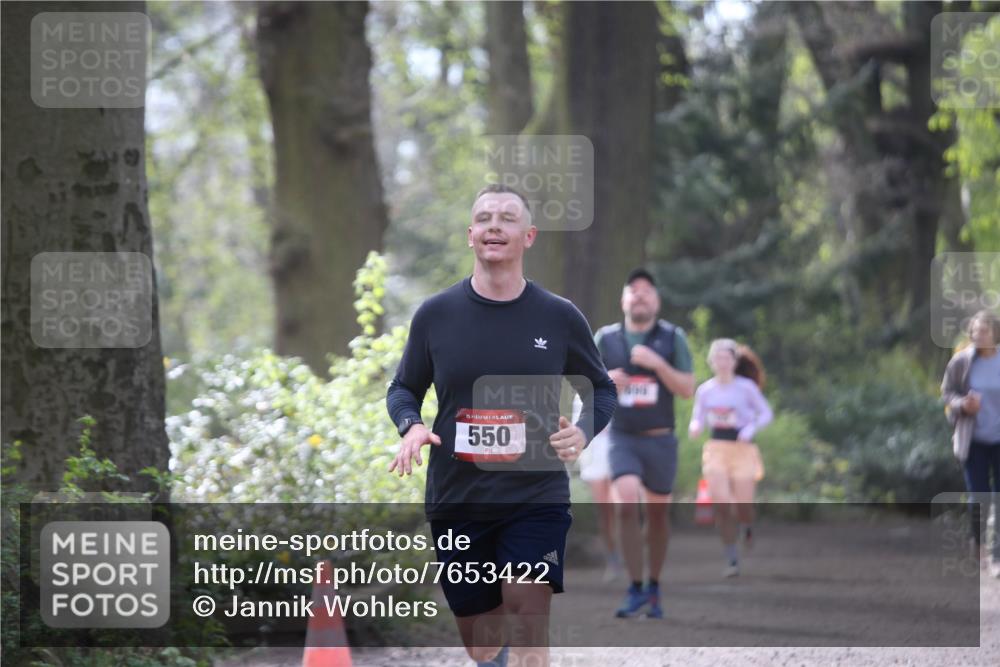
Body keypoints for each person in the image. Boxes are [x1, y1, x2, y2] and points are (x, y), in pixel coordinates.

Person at [386, 183, 617, 667]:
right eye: (485, 217)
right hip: (458, 498)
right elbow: (403, 388)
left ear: (528, 235)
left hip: (535, 496)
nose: (495, 224)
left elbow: (601, 387)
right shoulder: (435, 315)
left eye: (508, 217)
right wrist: (410, 425)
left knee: (528, 614)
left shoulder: (558, 316)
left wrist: (583, 429)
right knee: (484, 644)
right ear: (470, 235)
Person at [594, 269, 695, 619]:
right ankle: (635, 587)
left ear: (657, 301)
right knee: (625, 501)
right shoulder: (606, 339)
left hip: (660, 440)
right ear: (623, 300)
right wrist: (606, 381)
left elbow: (686, 388)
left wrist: (658, 365)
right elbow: (582, 384)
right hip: (622, 438)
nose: (639, 295)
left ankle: (654, 585)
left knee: (657, 518)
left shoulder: (672, 338)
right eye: (632, 291)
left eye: (646, 291)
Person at [688, 339, 773, 577]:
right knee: (722, 504)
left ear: (735, 361)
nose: (723, 363)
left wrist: (750, 429)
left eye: (727, 358)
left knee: (742, 506)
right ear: (712, 362)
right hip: (716, 448)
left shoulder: (746, 388)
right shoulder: (705, 390)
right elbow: (698, 417)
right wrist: (695, 427)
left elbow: (765, 413)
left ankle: (746, 526)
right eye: (718, 358)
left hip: (742, 450)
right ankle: (731, 557)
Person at [942, 309, 1000, 579]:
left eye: (984, 331)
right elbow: (947, 392)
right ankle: (979, 546)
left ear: (995, 333)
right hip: (973, 441)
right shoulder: (961, 362)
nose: (978, 335)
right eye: (975, 331)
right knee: (979, 497)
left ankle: (998, 554)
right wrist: (962, 404)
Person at [572, 396, 624, 582]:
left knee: (621, 507)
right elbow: (576, 426)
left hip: (620, 448)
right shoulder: (582, 393)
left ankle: (627, 553)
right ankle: (613, 560)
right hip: (594, 455)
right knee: (605, 512)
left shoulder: (620, 381)